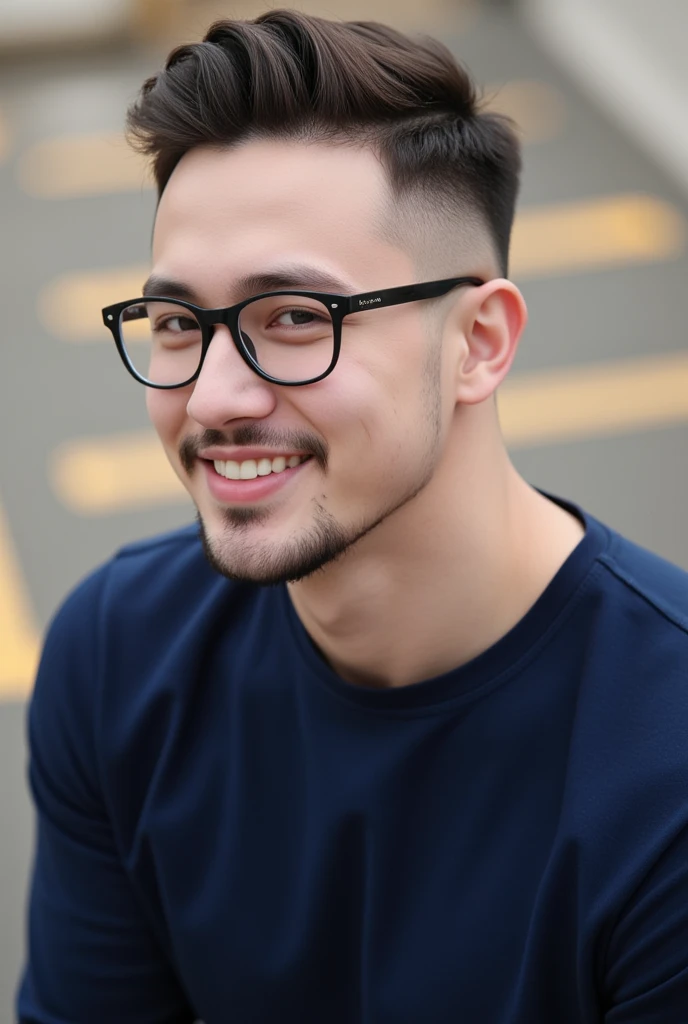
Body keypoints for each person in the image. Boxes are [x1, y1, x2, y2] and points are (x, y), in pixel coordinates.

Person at [16, 9, 688, 1023]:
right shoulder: (119, 657)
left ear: (478, 342)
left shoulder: (666, 761)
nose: (211, 398)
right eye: (176, 325)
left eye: (293, 317)